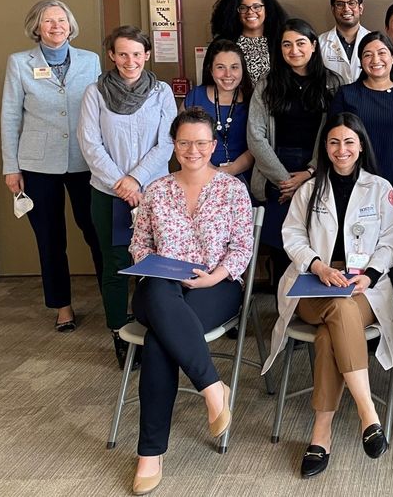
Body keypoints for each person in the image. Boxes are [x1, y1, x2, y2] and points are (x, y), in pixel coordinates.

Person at [261, 112, 393, 478]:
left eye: (349, 142)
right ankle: (367, 412)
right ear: (325, 147)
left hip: (362, 285)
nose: (342, 150)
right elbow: (292, 235)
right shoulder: (310, 188)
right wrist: (317, 266)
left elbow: (392, 241)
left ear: (361, 146)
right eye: (334, 142)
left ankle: (320, 433)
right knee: (338, 311)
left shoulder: (379, 187)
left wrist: (370, 275)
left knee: (330, 333)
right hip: (314, 282)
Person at [126, 107, 254, 495]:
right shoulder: (157, 190)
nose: (193, 150)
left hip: (215, 285)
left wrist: (215, 275)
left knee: (159, 341)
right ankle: (213, 388)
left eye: (201, 142)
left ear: (213, 145)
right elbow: (140, 244)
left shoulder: (232, 189)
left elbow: (242, 246)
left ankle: (150, 453)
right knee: (162, 292)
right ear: (174, 145)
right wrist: (153, 264)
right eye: (184, 142)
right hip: (161, 286)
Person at [0, 0, 103, 332]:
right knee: (49, 237)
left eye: (61, 20)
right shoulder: (19, 63)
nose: (56, 26)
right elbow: (10, 115)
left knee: (96, 231)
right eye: (48, 21)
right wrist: (10, 166)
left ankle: (113, 298)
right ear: (36, 27)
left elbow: (102, 109)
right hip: (37, 163)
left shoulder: (90, 60)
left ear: (70, 25)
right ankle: (62, 306)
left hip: (85, 160)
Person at [77, 25, 175, 368]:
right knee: (116, 263)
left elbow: (167, 143)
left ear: (147, 55)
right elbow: (90, 143)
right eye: (122, 54)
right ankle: (119, 334)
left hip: (154, 192)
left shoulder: (161, 92)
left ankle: (156, 329)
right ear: (112, 56)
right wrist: (121, 182)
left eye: (137, 53)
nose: (130, 61)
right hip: (108, 192)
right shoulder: (95, 92)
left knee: (157, 264)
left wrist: (136, 179)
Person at [248, 18, 342, 290]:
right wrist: (283, 180)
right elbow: (256, 136)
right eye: (287, 44)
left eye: (301, 43)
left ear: (313, 45)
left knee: (315, 240)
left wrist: (310, 173)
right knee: (281, 244)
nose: (294, 50)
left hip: (316, 169)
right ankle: (283, 312)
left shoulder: (331, 83)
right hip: (274, 170)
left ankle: (310, 306)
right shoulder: (267, 84)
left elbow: (334, 134)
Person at [330, 32, 393, 203]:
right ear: (360, 60)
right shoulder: (346, 95)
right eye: (368, 54)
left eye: (382, 53)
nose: (375, 60)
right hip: (352, 188)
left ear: (392, 57)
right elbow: (335, 142)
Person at [183, 39, 255, 183]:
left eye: (234, 67)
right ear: (211, 70)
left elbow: (258, 144)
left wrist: (229, 171)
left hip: (246, 177)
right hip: (200, 175)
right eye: (221, 67)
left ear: (242, 69)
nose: (228, 74)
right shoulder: (196, 96)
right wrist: (208, 169)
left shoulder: (253, 99)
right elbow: (182, 140)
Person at [209, 0, 288, 82]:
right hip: (234, 97)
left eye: (256, 7)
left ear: (266, 10)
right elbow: (210, 81)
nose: (250, 12)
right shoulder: (223, 43)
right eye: (243, 8)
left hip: (272, 97)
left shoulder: (280, 41)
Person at [318, 0, 371, 84]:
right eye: (340, 4)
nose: (346, 9)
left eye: (351, 3)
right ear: (333, 10)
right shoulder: (320, 43)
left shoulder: (374, 41)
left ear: (360, 8)